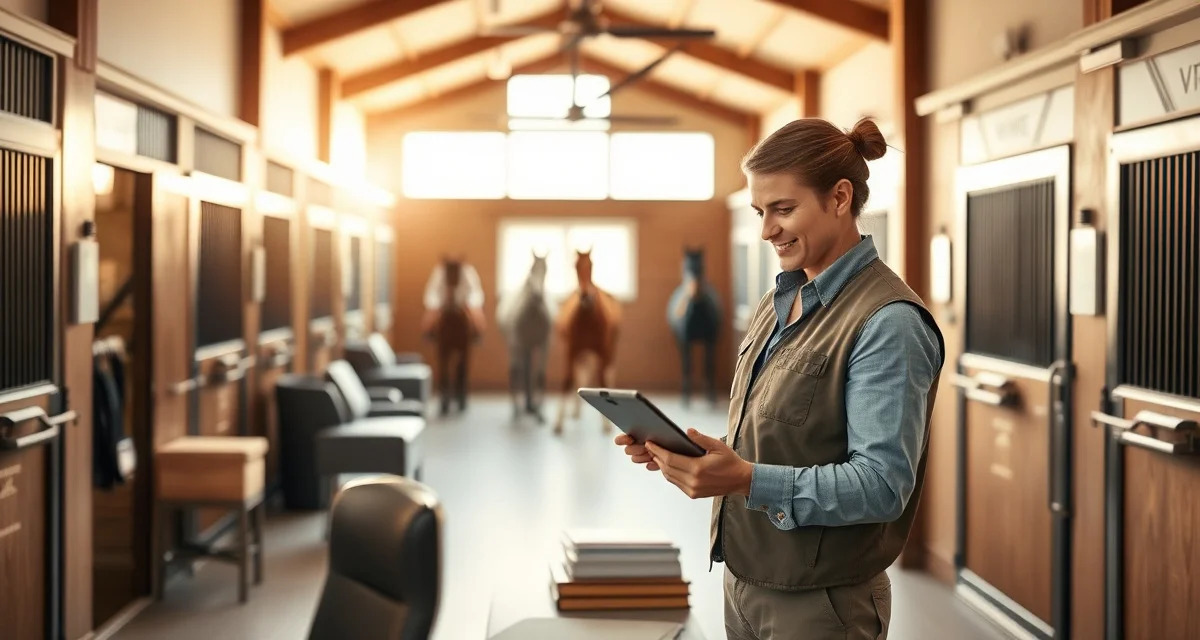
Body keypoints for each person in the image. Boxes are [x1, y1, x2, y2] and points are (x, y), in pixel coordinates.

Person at [615, 117, 945, 639]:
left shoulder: (889, 322)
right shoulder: (776, 302)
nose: (767, 230)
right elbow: (783, 434)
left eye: (783, 209)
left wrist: (744, 479)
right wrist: (694, 454)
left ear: (840, 198)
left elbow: (882, 486)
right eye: (760, 212)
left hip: (821, 607)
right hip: (745, 582)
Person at [421, 257, 487, 341]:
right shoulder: (439, 272)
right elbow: (433, 290)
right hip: (443, 304)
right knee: (430, 317)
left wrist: (470, 305)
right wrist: (436, 305)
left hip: (463, 304)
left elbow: (474, 291)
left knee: (477, 316)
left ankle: (478, 332)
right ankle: (428, 332)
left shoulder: (468, 272)